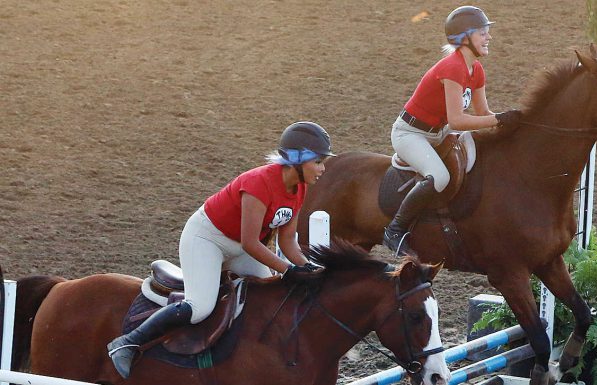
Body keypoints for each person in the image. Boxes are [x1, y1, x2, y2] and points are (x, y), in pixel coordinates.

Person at [107, 121, 335, 379]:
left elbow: (287, 242)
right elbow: (251, 242)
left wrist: (308, 267)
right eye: (318, 162)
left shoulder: (300, 188)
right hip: (208, 239)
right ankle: (127, 343)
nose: (322, 169)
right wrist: (289, 270)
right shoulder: (259, 182)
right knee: (200, 307)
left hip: (242, 247)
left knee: (269, 301)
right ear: (297, 159)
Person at [383, 6, 523, 256]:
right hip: (410, 133)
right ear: (464, 38)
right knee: (439, 177)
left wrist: (510, 123)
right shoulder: (453, 67)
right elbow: (458, 120)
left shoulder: (476, 70)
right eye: (482, 32)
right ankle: (395, 229)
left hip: (439, 131)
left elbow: (483, 115)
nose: (488, 36)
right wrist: (499, 120)